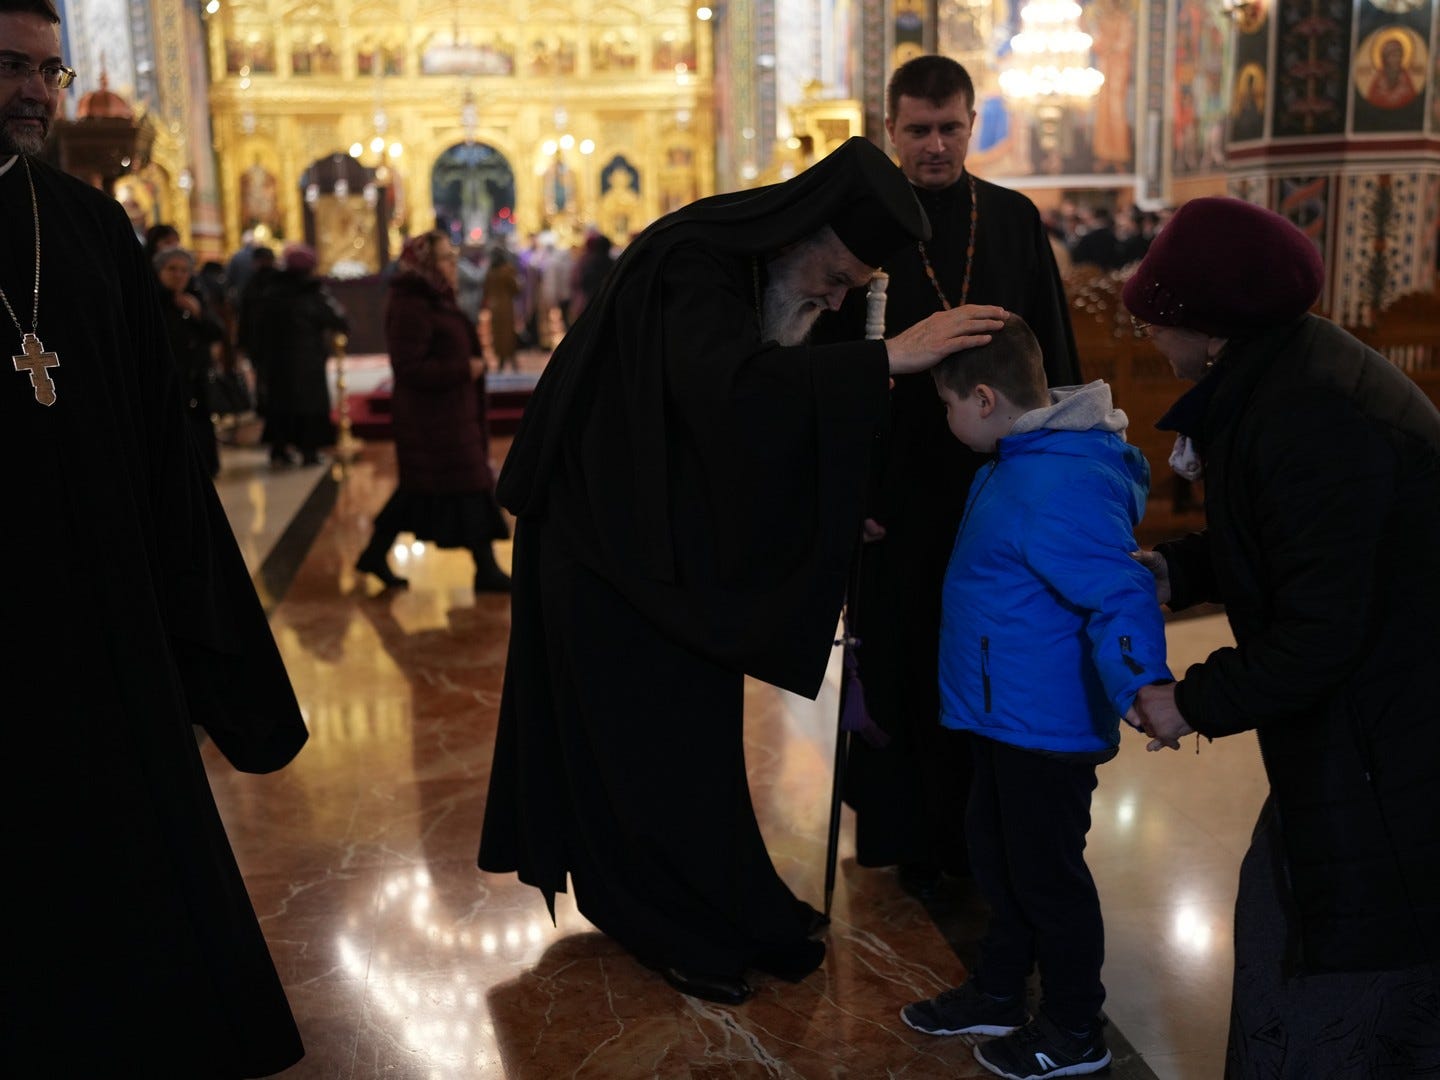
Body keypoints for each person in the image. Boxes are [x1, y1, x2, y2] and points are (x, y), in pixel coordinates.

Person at [478, 135, 1010, 1006]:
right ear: (801, 231)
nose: (834, 299)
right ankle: (665, 922)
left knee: (695, 742)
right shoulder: (692, 263)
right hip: (600, 547)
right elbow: (729, 393)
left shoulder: (759, 280)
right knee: (642, 746)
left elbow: (737, 436)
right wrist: (886, 357)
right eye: (834, 277)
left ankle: (732, 904)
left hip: (665, 552)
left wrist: (830, 507)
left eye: (849, 289)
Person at [0, 1, 308, 1074]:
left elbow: (160, 439)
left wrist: (195, 609)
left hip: (107, 598)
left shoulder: (87, 224)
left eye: (49, 70)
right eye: (9, 65)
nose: (34, 90)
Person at [1123, 197, 1440, 1074]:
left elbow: (1320, 632)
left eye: (1157, 315)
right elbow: (1282, 541)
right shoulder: (1286, 373)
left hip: (1389, 744)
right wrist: (1176, 572)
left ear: (1210, 327)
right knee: (1294, 916)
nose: (1148, 330)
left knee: (1343, 974)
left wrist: (1188, 702)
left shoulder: (1311, 414)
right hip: (1371, 732)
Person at [813, 55, 1081, 892]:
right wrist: (844, 490)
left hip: (999, 481)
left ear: (972, 124)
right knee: (902, 655)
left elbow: (1053, 349)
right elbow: (823, 365)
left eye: (951, 128)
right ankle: (908, 835)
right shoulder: (857, 224)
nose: (935, 145)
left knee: (991, 651)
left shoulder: (1011, 217)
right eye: (919, 130)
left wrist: (1064, 468)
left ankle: (982, 829)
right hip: (892, 485)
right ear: (890, 129)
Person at [897, 315, 1168, 1078]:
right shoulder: (1024, 458)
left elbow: (1118, 590)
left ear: (984, 399)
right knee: (998, 858)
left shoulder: (1060, 479)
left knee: (1047, 879)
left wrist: (1143, 681)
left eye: (947, 405)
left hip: (1045, 728)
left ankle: (1075, 1027)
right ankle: (999, 989)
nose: (947, 420)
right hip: (1005, 713)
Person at [353, 230, 512, 594]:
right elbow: (409, 367)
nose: (453, 265)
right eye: (445, 258)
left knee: (424, 489)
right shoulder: (412, 304)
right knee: (466, 485)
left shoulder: (434, 296)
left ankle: (375, 553)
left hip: (448, 413)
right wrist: (463, 369)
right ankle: (486, 569)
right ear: (426, 264)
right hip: (433, 418)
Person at [253, 241, 346, 466]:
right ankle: (309, 451)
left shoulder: (271, 291)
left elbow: (258, 327)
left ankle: (279, 449)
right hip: (308, 361)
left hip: (276, 361)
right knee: (309, 406)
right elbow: (338, 320)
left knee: (280, 404)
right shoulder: (313, 293)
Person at [154, 245, 225, 478]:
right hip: (167, 379)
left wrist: (198, 314)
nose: (178, 275)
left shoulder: (195, 297)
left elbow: (217, 331)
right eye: (172, 269)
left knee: (201, 428)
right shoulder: (153, 302)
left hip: (197, 379)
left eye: (184, 270)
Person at [482, 245, 521, 372]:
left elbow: (486, 290)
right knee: (508, 334)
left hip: (494, 307)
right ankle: (512, 360)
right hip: (506, 307)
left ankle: (501, 361)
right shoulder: (507, 270)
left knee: (497, 334)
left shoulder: (490, 272)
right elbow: (515, 289)